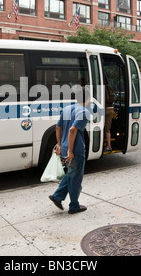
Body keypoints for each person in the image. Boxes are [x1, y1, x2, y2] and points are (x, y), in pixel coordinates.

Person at [49, 86, 90, 214]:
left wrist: (60, 145)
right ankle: (74, 206)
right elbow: (73, 130)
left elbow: (58, 127)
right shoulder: (84, 112)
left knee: (72, 173)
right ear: (88, 99)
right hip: (75, 150)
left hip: (65, 146)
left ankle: (58, 196)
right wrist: (70, 151)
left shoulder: (67, 108)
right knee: (76, 177)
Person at [104, 83, 115, 153]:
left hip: (104, 109)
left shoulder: (100, 87)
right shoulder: (110, 88)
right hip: (111, 109)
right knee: (107, 129)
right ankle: (109, 146)